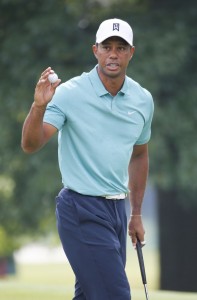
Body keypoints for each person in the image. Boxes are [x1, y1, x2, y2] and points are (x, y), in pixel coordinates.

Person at [21, 18, 154, 300]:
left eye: (121, 47)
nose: (113, 54)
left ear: (132, 52)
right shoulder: (69, 94)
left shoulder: (142, 100)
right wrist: (38, 107)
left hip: (117, 211)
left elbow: (139, 155)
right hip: (80, 208)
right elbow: (31, 144)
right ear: (95, 50)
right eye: (107, 47)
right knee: (114, 295)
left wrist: (137, 214)